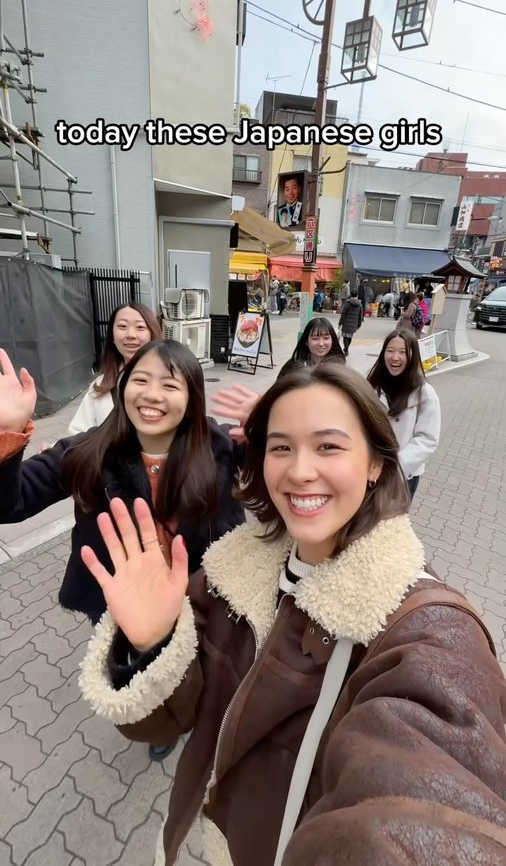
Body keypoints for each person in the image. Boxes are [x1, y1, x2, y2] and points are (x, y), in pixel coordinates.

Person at [79, 362, 506, 866]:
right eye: (281, 448)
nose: (300, 471)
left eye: (328, 447)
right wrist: (150, 644)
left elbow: (426, 810)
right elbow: (163, 721)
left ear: (375, 463)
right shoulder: (230, 572)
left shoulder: (427, 630)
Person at [0, 341, 245, 626]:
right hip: (123, 615)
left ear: (192, 399)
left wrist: (268, 426)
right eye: (140, 380)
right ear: (123, 388)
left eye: (169, 385)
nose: (152, 394)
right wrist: (8, 433)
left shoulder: (222, 445)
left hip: (205, 608)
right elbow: (11, 503)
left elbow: (278, 469)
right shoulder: (86, 452)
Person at [367, 328, 441, 499]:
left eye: (403, 352)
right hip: (371, 469)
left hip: (403, 474)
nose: (395, 357)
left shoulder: (425, 393)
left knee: (394, 515)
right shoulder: (371, 386)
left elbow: (427, 439)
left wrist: (396, 466)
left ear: (413, 356)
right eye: (390, 350)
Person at [69, 303, 162, 434]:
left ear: (152, 334)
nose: (131, 335)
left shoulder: (173, 380)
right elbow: (79, 433)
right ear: (112, 336)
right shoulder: (100, 386)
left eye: (140, 327)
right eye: (122, 326)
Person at [279, 317, 345, 377]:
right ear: (306, 341)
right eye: (315, 338)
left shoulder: (340, 367)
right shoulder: (293, 366)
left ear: (332, 340)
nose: (321, 343)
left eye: (326, 338)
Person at [338, 289, 362, 356]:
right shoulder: (360, 304)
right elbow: (360, 316)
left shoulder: (347, 303)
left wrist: (340, 323)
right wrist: (359, 324)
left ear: (351, 295)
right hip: (354, 323)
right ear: (357, 295)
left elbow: (343, 314)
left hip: (346, 322)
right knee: (350, 336)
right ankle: (346, 349)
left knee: (345, 336)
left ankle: (346, 350)